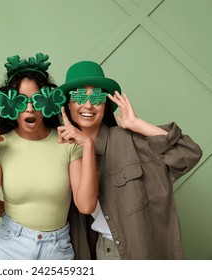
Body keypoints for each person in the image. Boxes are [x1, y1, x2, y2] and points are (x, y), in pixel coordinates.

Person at [58, 60, 203, 260]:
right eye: (79, 97)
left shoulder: (129, 140)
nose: (88, 105)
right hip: (100, 251)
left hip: (140, 251)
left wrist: (138, 124)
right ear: (68, 104)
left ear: (106, 104)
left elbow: (188, 154)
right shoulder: (63, 152)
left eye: (98, 97)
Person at [0, 53, 98, 260]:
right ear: (9, 105)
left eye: (36, 100)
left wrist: (88, 145)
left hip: (57, 250)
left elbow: (86, 205)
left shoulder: (68, 145)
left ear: (48, 101)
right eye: (21, 101)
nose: (30, 108)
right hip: (8, 249)